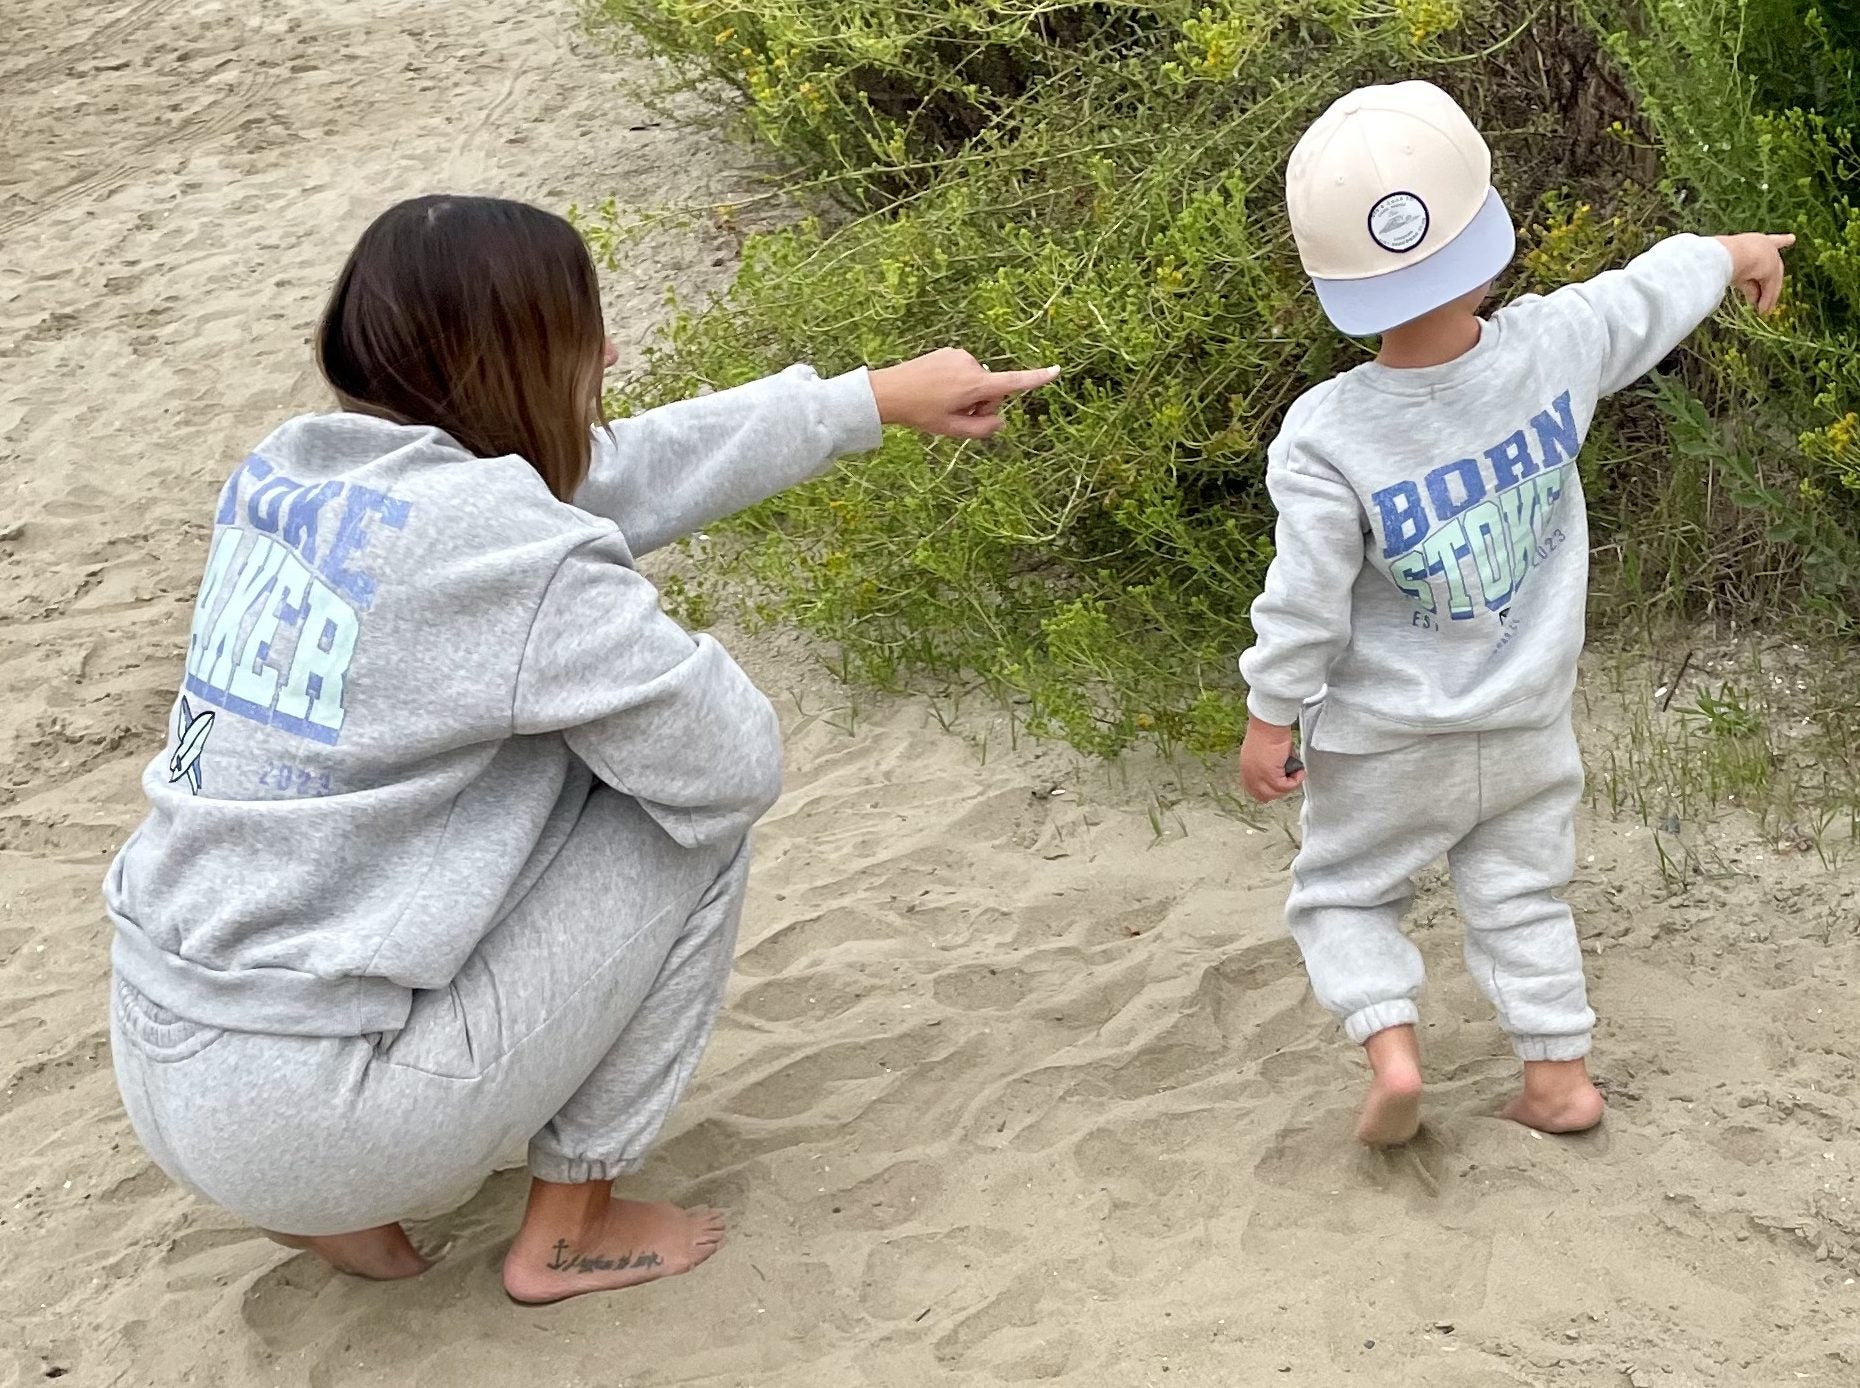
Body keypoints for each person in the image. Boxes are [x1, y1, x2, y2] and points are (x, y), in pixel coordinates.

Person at [104, 194, 1058, 1304]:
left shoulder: (292, 472)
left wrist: (866, 401)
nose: (607, 350)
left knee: (505, 770)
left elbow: (582, 478)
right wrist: (605, 631)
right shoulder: (515, 554)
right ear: (500, 354)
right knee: (683, 814)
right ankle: (571, 1226)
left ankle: (331, 1216)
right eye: (578, 327)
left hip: (164, 1059)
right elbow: (731, 761)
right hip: (323, 1108)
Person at [1236, 81, 1791, 1147]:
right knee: (1522, 894)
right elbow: (1647, 292)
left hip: (1388, 737)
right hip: (1528, 716)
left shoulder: (1324, 434)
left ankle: (1394, 1050)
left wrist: (1271, 715)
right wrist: (1730, 251)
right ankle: (1557, 1078)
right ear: (1486, 249)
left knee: (1344, 895)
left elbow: (1302, 597)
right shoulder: (1556, 347)